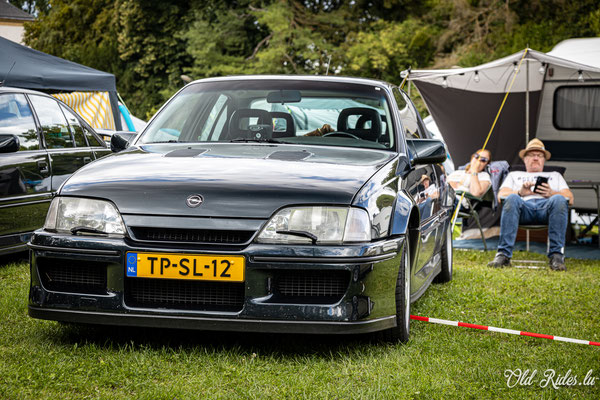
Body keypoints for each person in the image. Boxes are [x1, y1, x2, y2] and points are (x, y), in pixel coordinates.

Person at [488, 138, 574, 271]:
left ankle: (557, 256)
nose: (535, 158)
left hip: (547, 209)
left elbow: (570, 198)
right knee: (511, 198)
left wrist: (551, 193)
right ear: (524, 159)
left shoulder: (555, 175)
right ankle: (503, 255)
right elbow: (501, 196)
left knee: (559, 199)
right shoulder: (514, 175)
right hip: (522, 209)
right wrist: (520, 192)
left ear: (544, 160)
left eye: (539, 155)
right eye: (532, 155)